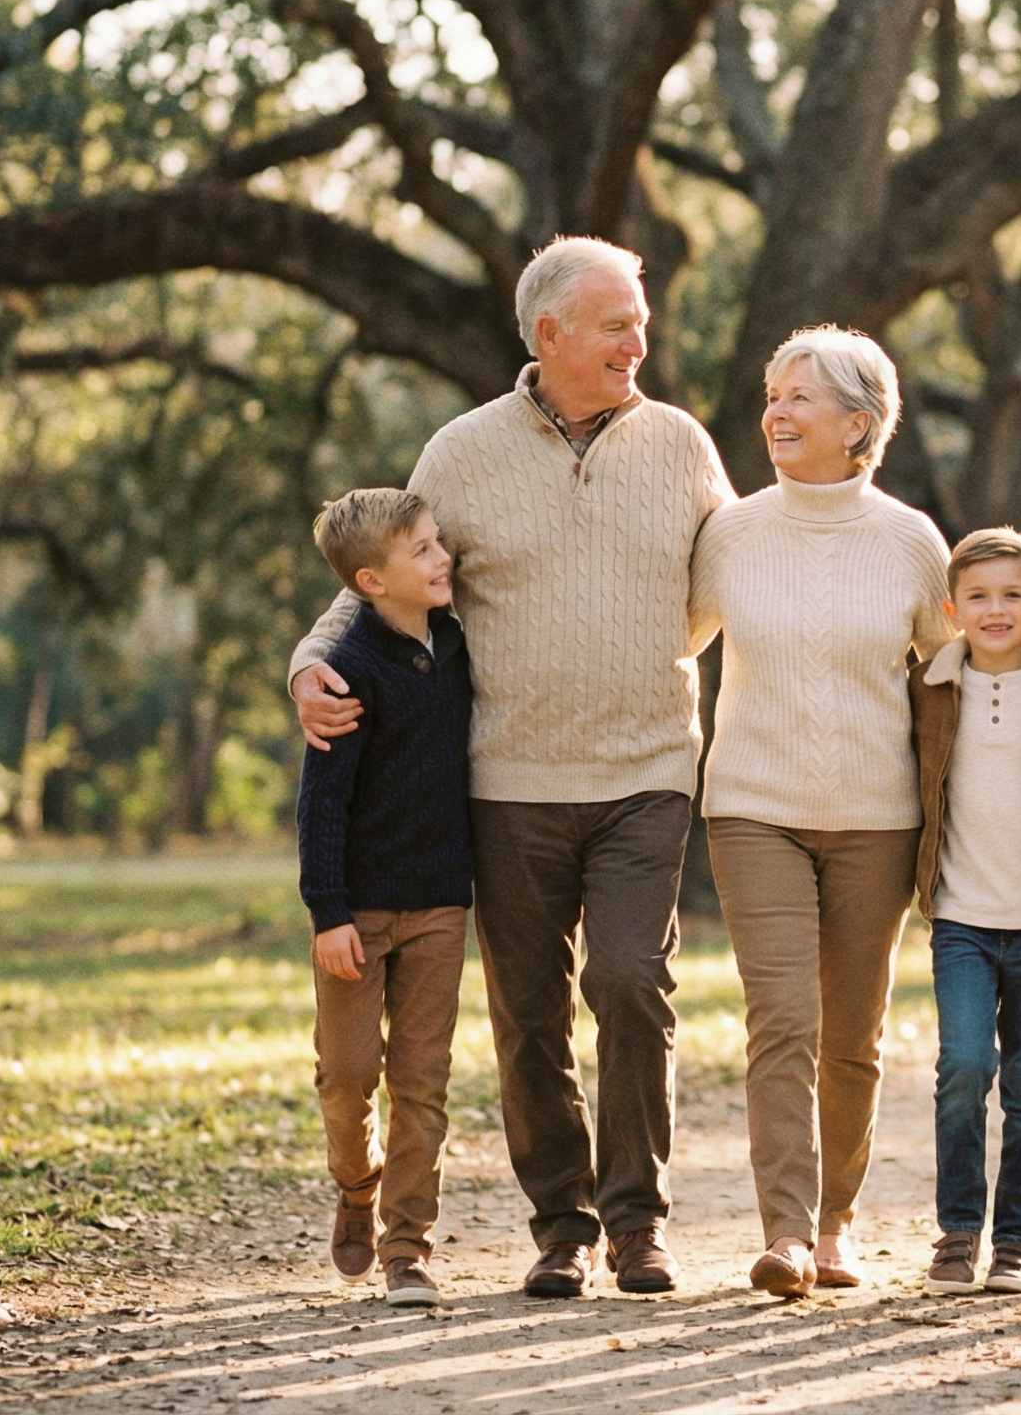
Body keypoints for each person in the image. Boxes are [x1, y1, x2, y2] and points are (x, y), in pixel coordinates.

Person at [288, 237, 735, 1299]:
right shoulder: (460, 454)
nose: (641, 339)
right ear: (550, 335)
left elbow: (734, 574)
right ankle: (564, 1227)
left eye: (640, 321)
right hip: (508, 780)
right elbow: (381, 579)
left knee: (631, 983)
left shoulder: (680, 444)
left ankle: (636, 1224)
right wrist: (310, 660)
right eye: (618, 322)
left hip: (648, 768)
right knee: (528, 1013)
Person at [687, 327, 951, 1298]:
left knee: (853, 1032)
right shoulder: (732, 533)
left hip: (876, 819)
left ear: (859, 423)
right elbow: (667, 639)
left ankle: (837, 1220)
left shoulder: (910, 542)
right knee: (783, 1019)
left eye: (800, 397)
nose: (776, 412)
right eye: (772, 392)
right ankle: (788, 1233)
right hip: (754, 805)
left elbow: (956, 669)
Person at [294, 488, 474, 1309]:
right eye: (425, 552)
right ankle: (355, 1182)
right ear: (371, 580)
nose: (444, 560)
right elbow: (322, 803)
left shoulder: (458, 647)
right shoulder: (348, 672)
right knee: (348, 1074)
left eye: (439, 544)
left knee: (423, 1079)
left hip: (440, 902)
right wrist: (328, 913)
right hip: (357, 914)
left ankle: (409, 1250)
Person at [909, 528, 1021, 1297]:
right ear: (952, 609)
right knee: (964, 1068)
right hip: (961, 919)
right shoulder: (927, 688)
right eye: (978, 596)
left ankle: (1016, 1242)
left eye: (1012, 594)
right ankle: (957, 1233)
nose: (995, 609)